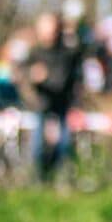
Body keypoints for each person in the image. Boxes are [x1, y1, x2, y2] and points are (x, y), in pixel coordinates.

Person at [24, 10, 81, 184]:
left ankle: (60, 178)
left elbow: (62, 79)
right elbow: (23, 73)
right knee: (37, 146)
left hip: (62, 103)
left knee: (64, 144)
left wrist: (44, 77)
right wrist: (31, 77)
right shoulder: (34, 52)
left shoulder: (66, 52)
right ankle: (38, 179)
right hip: (41, 104)